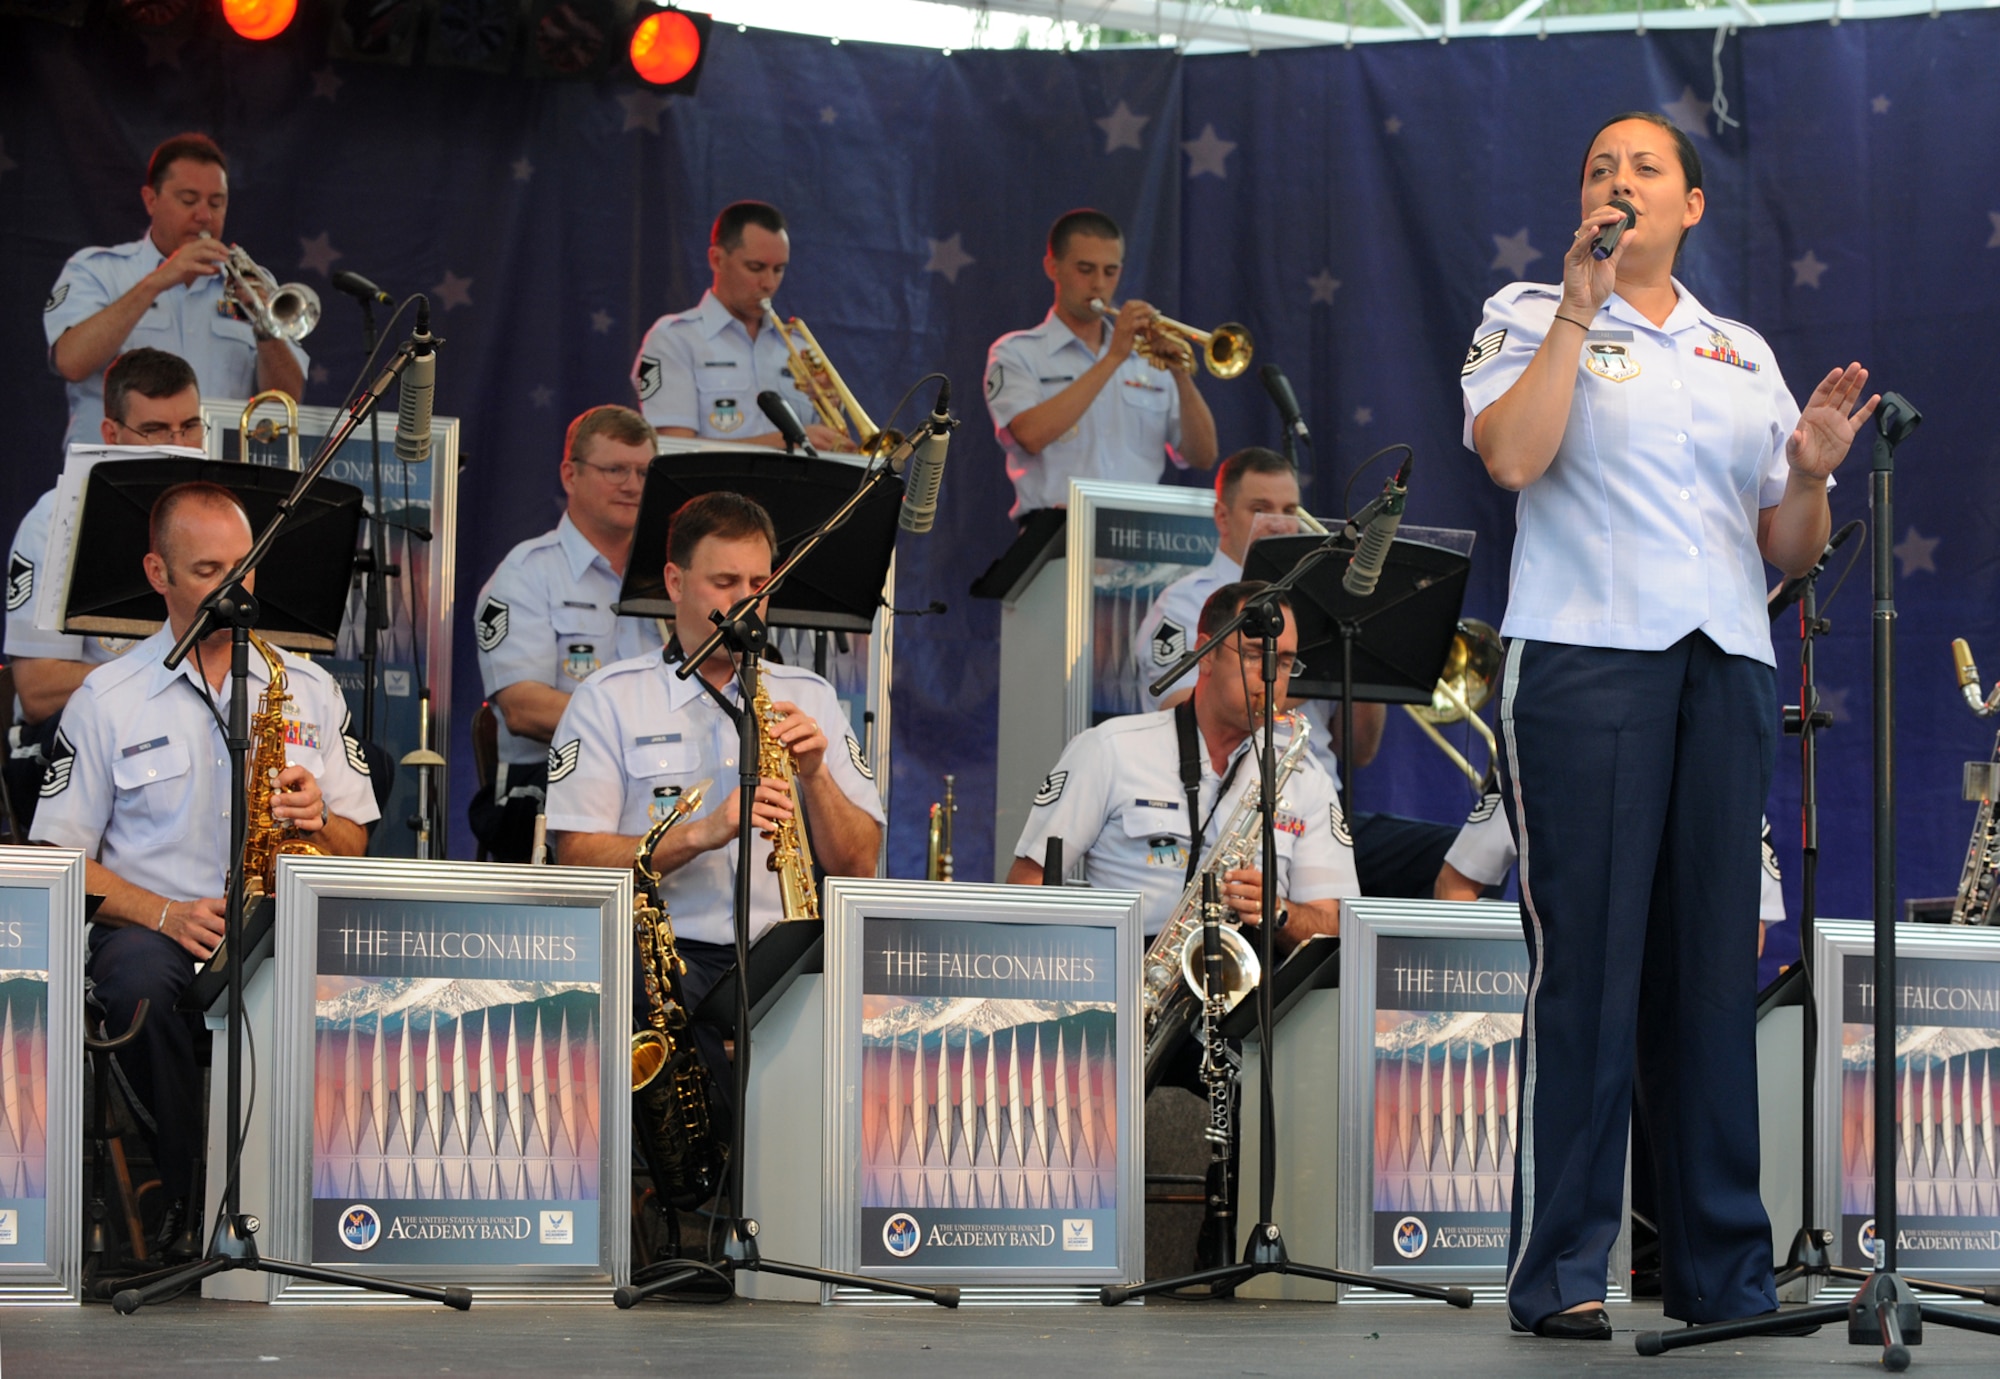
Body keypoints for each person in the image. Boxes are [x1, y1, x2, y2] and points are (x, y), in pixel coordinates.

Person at [1460, 111, 1877, 1338]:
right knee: (1585, 965)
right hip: (1586, 659)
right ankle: (1560, 1273)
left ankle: (1719, 1278)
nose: (1618, 180)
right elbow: (1512, 459)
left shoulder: (1737, 349)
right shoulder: (1528, 310)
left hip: (1723, 666)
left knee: (1707, 973)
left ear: (1691, 204)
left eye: (1644, 167)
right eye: (1598, 165)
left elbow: (1783, 553)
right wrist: (1581, 308)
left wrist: (1804, 471)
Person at [30, 481, 377, 1254]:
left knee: (362, 984)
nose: (235, 589)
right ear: (158, 573)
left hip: (278, 920)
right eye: (209, 571)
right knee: (143, 985)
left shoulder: (310, 689)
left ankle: (328, 1208)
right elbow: (59, 862)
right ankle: (191, 1200)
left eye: (245, 568)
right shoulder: (108, 697)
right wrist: (162, 912)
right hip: (156, 927)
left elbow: (357, 843)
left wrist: (319, 816)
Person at [543, 491, 883, 1126]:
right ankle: (713, 1195)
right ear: (675, 582)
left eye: (761, 582)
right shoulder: (609, 700)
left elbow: (859, 865)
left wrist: (816, 778)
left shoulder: (811, 696)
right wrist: (703, 833)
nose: (748, 600)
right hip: (673, 957)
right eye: (725, 582)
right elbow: (580, 861)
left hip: (790, 950)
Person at [1131, 447, 1455, 899]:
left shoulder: (1317, 604)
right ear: (1222, 517)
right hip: (1219, 809)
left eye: (1290, 510)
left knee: (1463, 858)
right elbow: (1177, 706)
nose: (1279, 523)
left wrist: (1366, 650)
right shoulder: (1187, 602)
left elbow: (1358, 752)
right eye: (1260, 509)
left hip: (1319, 805)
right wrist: (1314, 665)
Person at [1008, 580, 1354, 944]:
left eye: (1284, 663)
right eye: (1254, 654)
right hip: (1125, 978)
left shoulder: (1306, 775)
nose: (1270, 678)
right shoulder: (1109, 750)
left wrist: (1278, 910)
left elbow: (1333, 927)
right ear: (1205, 653)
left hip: (1257, 989)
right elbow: (1027, 884)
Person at [5, 349, 203, 829]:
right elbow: (37, 692)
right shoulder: (54, 521)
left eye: (191, 427)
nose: (179, 446)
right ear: (111, 434)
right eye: (156, 431)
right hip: (99, 733)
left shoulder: (224, 518)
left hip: (201, 724)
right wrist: (164, 675)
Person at [470, 406, 668, 861]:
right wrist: (640, 734)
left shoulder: (673, 577)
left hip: (660, 788)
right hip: (550, 790)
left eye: (643, 471)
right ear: (570, 474)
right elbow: (522, 708)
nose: (633, 485)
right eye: (615, 469)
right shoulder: (527, 573)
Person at [44, 133, 305, 451]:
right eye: (188, 200)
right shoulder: (97, 270)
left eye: (216, 202)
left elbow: (285, 403)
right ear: (150, 200)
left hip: (213, 475)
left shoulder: (253, 283)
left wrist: (266, 329)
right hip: (114, 471)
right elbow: (72, 362)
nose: (204, 215)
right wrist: (158, 280)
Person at [986, 209, 1219, 522]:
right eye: (1085, 269)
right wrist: (1113, 358)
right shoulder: (1016, 352)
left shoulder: (1144, 355)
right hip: (1057, 531)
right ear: (1052, 267)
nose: (1098, 284)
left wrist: (1180, 375)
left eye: (1110, 272)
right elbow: (1030, 435)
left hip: (1139, 534)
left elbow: (1203, 456)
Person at [629, 201, 846, 452]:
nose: (769, 283)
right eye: (756, 267)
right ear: (717, 259)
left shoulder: (799, 347)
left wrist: (832, 410)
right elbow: (673, 451)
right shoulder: (672, 339)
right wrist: (786, 442)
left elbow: (835, 449)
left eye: (779, 270)